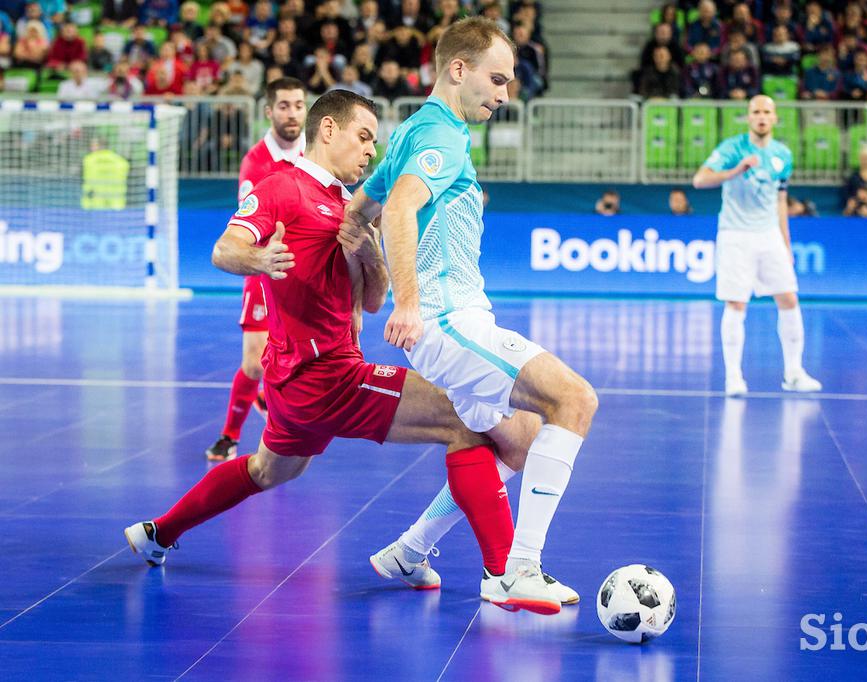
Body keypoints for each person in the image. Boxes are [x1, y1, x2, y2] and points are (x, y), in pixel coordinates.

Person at [125, 90, 545, 610]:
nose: (371, 152)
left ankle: (157, 532)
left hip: (300, 383)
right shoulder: (283, 186)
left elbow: (370, 303)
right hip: (324, 374)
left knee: (267, 469)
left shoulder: (352, 208)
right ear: (328, 130)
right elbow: (224, 248)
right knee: (464, 421)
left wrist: (372, 254)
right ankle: (500, 573)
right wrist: (259, 260)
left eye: (375, 142)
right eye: (363, 137)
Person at [344, 17, 597, 616]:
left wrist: (356, 293)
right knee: (575, 401)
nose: (505, 94)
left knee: (518, 444)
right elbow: (399, 210)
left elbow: (358, 213)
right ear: (458, 70)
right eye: (498, 79)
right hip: (451, 324)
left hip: (449, 322)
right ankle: (520, 571)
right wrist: (407, 301)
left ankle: (408, 551)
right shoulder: (444, 136)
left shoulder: (412, 131)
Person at [205, 77, 308, 462]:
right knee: (253, 360)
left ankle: (291, 420)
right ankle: (230, 436)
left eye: (298, 105)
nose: (292, 113)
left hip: (306, 270)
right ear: (269, 111)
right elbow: (248, 232)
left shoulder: (313, 153)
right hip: (264, 268)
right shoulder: (256, 162)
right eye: (284, 105)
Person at [692, 95, 822, 397]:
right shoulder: (732, 148)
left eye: (767, 112)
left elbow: (780, 200)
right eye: (756, 112)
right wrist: (736, 170)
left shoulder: (782, 155)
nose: (761, 117)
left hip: (769, 236)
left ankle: (793, 373)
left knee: (789, 299)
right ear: (748, 118)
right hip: (735, 234)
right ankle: (733, 377)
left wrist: (785, 244)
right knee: (736, 303)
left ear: (775, 118)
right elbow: (700, 180)